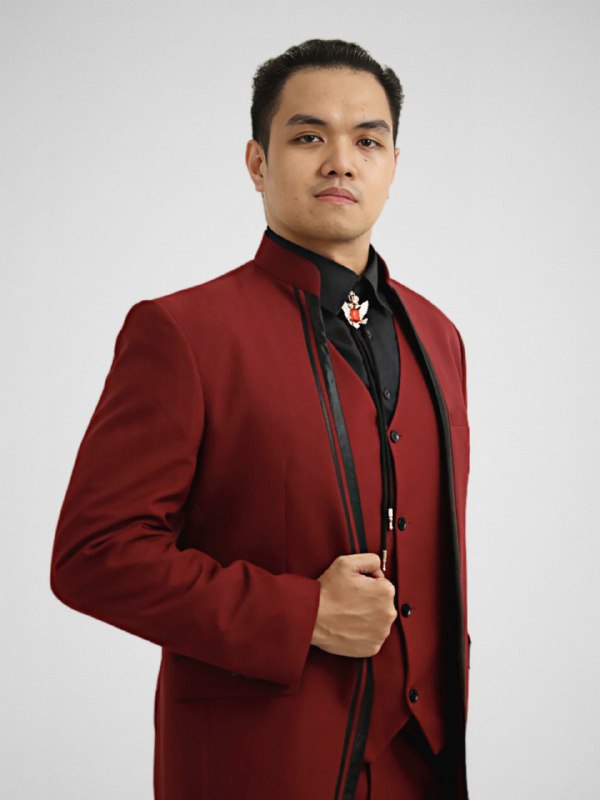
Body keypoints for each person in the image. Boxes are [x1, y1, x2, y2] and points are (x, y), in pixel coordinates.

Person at [50, 38, 472, 799]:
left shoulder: (439, 335)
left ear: (392, 165)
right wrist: (302, 613)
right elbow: (94, 555)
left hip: (426, 769)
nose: (341, 162)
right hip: (262, 766)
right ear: (257, 162)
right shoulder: (183, 332)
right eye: (308, 137)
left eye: (367, 141)